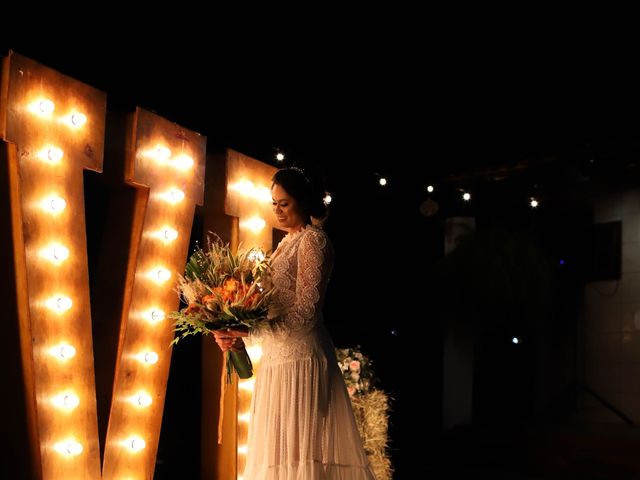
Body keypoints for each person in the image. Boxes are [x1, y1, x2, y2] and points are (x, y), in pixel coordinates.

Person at [213, 167, 376, 479]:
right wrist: (239, 335)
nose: (277, 210)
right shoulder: (286, 243)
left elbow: (305, 314)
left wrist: (250, 330)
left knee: (300, 454)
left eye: (284, 203)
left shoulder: (314, 241)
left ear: (304, 202)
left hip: (302, 359)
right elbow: (272, 312)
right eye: (274, 203)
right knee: (277, 454)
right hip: (277, 360)